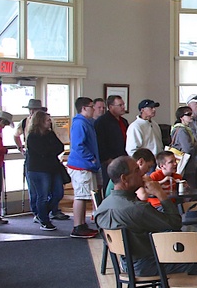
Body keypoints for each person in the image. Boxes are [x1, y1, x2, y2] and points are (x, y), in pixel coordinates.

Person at [95, 156, 194, 288]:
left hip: (126, 264)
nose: (143, 174)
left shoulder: (104, 205)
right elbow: (174, 222)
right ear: (124, 178)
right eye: (136, 171)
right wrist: (160, 193)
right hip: (147, 264)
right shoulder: (137, 209)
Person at [65, 96, 103, 238]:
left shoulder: (87, 122)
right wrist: (91, 158)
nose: (94, 109)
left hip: (87, 165)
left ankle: (82, 223)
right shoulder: (80, 123)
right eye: (92, 107)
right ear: (84, 108)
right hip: (81, 166)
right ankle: (77, 226)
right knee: (81, 196)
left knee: (85, 195)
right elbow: (78, 145)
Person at [27, 112, 67, 232]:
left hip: (53, 168)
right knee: (42, 196)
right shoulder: (33, 136)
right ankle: (44, 220)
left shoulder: (50, 134)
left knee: (58, 193)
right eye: (47, 120)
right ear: (40, 121)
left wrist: (50, 151)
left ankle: (42, 213)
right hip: (38, 170)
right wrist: (51, 151)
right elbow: (42, 151)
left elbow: (60, 147)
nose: (50, 122)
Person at [95, 95, 129, 170]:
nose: (123, 107)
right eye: (120, 105)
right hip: (109, 160)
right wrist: (107, 159)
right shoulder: (102, 122)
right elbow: (100, 142)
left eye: (123, 105)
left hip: (123, 158)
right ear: (111, 107)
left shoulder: (124, 121)